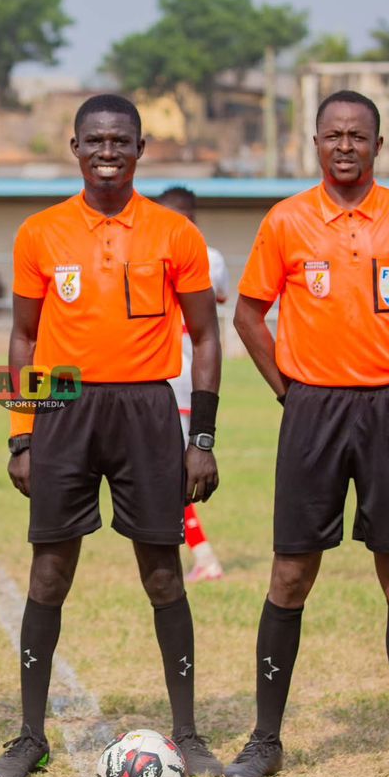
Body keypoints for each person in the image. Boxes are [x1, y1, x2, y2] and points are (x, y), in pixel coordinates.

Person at [0, 94, 225, 777]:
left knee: (160, 573)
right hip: (64, 402)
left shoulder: (173, 233)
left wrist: (200, 436)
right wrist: (20, 436)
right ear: (75, 147)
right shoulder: (41, 232)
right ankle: (29, 734)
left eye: (121, 140)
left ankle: (187, 732)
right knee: (49, 572)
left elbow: (207, 338)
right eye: (95, 140)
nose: (108, 151)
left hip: (149, 408)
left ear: (142, 148)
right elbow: (25, 337)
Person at [226, 90, 389, 777]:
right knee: (291, 575)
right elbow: (247, 315)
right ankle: (266, 740)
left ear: (379, 147)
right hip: (312, 411)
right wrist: (289, 391)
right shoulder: (287, 221)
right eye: (334, 135)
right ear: (316, 144)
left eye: (359, 135)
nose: (347, 146)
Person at [158, 187, 228, 582]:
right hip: (174, 374)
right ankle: (194, 553)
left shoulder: (202, 257)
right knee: (167, 470)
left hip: (179, 374)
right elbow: (220, 296)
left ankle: (202, 556)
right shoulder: (213, 258)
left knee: (172, 473)